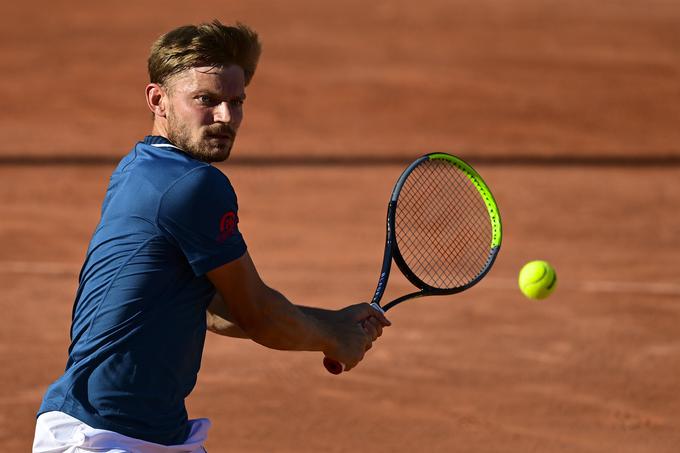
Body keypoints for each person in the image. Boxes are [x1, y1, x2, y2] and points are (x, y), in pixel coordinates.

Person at [33, 20, 390, 453]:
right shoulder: (194, 186)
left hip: (147, 432)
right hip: (101, 439)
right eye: (206, 100)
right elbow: (257, 313)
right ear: (157, 99)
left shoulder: (139, 167)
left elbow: (212, 307)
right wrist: (334, 339)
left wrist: (332, 322)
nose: (226, 117)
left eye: (236, 102)